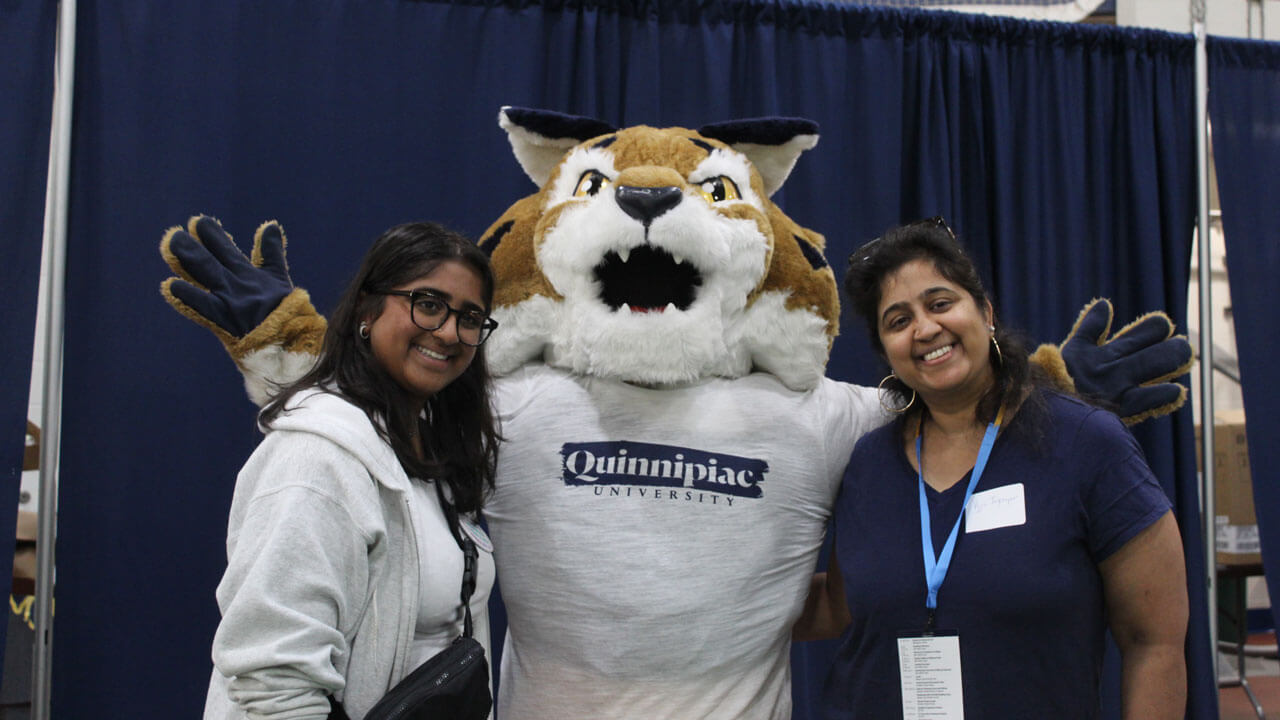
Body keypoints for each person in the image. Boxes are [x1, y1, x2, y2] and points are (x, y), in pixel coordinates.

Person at [795, 217, 1188, 719]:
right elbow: (843, 607)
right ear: (886, 351)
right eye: (898, 320)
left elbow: (1153, 641)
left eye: (940, 303)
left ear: (985, 312)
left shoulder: (1088, 443)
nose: (925, 328)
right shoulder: (868, 464)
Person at [201, 220, 501, 719]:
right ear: (368, 309)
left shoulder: (428, 446)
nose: (449, 332)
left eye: (470, 317)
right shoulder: (317, 459)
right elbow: (274, 677)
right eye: (428, 304)